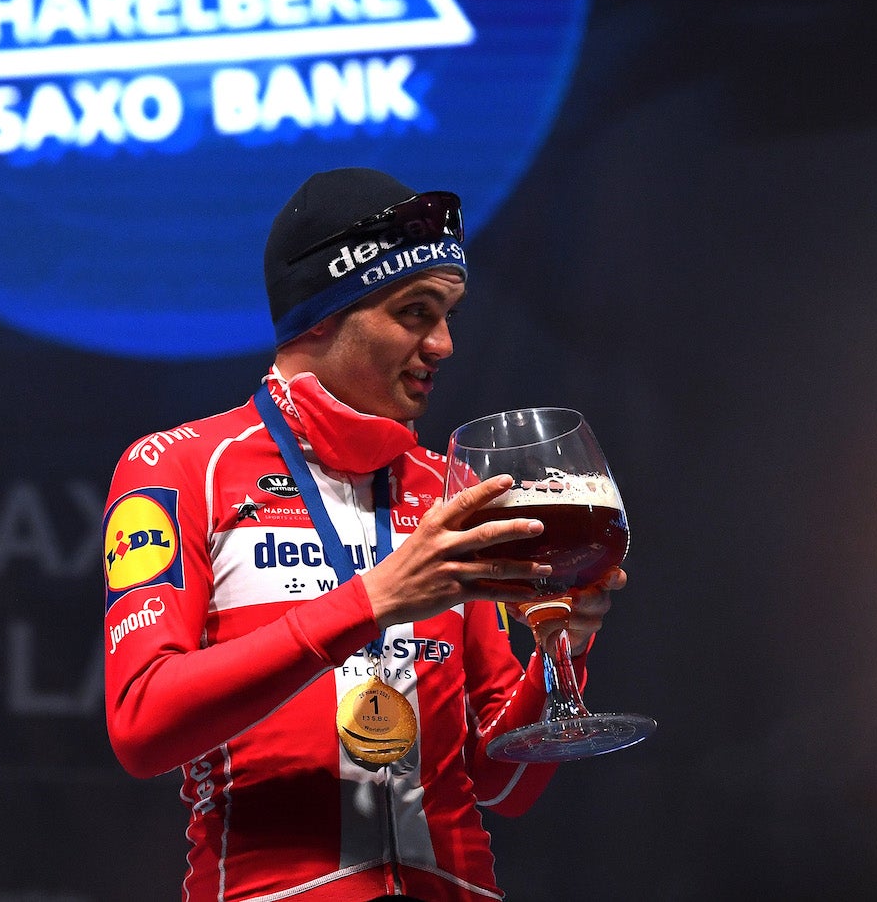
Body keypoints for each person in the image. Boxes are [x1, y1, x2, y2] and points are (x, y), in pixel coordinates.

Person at [101, 168, 625, 901]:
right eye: (414, 312)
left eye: (448, 313)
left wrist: (560, 653)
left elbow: (505, 781)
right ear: (321, 314)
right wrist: (371, 601)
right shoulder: (183, 466)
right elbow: (142, 723)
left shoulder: (449, 488)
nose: (443, 343)